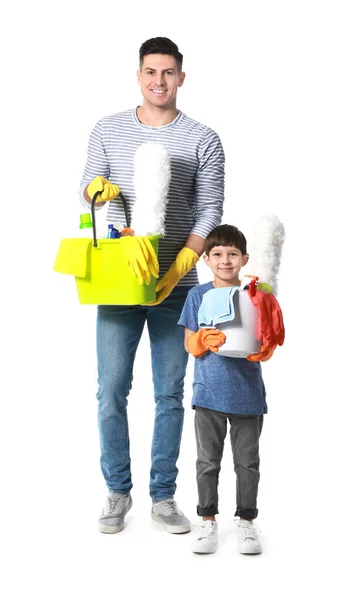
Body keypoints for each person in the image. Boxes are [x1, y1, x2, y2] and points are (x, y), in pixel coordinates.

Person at [79, 37, 225, 534]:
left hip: (177, 287)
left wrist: (184, 262)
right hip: (120, 281)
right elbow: (88, 187)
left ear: (181, 77)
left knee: (170, 393)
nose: (158, 81)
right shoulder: (108, 129)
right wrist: (100, 192)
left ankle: (163, 496)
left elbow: (209, 209)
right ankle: (117, 492)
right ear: (138, 75)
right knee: (110, 391)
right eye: (149, 72)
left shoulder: (203, 139)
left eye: (167, 72)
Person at [178, 224, 276, 554]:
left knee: (247, 462)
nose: (225, 260)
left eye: (233, 254)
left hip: (248, 394)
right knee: (208, 461)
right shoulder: (197, 295)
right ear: (205, 259)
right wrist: (200, 341)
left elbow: (268, 335)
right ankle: (207, 522)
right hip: (208, 393)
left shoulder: (257, 295)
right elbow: (188, 343)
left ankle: (247, 521)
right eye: (217, 254)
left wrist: (267, 347)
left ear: (244, 258)